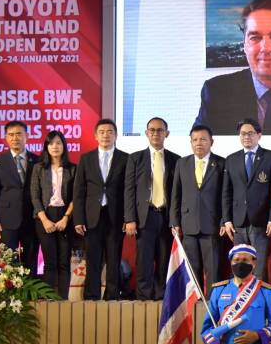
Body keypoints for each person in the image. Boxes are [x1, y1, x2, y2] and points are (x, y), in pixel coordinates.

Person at [194, 0, 271, 135]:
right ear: (245, 44)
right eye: (255, 37)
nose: (266, 48)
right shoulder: (217, 92)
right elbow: (198, 144)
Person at [123, 117, 179, 300]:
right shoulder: (135, 158)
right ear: (146, 133)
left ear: (167, 134)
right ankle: (144, 298)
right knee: (144, 261)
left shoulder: (175, 159)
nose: (156, 133)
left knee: (164, 260)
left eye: (160, 130)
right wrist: (130, 218)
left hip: (166, 217)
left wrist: (176, 220)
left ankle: (162, 297)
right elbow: (129, 190)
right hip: (144, 217)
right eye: (152, 130)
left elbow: (178, 193)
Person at [73, 119, 129, 300]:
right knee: (93, 259)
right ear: (96, 136)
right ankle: (92, 296)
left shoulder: (126, 158)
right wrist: (78, 219)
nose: (106, 135)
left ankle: (112, 296)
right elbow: (79, 191)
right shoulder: (86, 159)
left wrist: (128, 218)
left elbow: (128, 191)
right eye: (102, 132)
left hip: (115, 216)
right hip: (92, 217)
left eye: (110, 132)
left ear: (116, 136)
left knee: (113, 259)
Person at [221, 117, 271, 280]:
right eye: (243, 134)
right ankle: (241, 294)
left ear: (259, 135)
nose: (246, 137)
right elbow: (226, 192)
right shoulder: (231, 159)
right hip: (238, 223)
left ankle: (259, 295)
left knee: (259, 267)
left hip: (261, 221)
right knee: (240, 266)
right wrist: (226, 220)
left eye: (250, 133)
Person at [171, 124, 226, 294]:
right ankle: (194, 302)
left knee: (213, 270)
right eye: (194, 140)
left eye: (203, 139)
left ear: (211, 142)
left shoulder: (221, 163)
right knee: (191, 271)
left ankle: (211, 302)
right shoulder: (182, 163)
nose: (198, 143)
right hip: (188, 225)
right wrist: (174, 221)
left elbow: (225, 196)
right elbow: (176, 195)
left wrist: (224, 220)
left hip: (212, 225)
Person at [0, 121, 39, 271]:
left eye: (19, 134)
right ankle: (11, 286)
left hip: (32, 218)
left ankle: (31, 287)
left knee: (31, 260)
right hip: (6, 220)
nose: (15, 138)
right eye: (11, 135)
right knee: (8, 262)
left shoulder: (37, 160)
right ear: (6, 138)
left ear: (27, 136)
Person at [31, 130, 76, 298]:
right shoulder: (39, 168)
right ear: (46, 147)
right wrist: (44, 220)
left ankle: (63, 300)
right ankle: (50, 300)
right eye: (51, 143)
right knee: (50, 263)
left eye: (58, 143)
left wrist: (66, 218)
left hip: (65, 216)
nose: (55, 146)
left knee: (64, 262)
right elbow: (34, 195)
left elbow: (76, 197)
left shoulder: (73, 169)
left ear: (64, 146)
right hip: (44, 216)